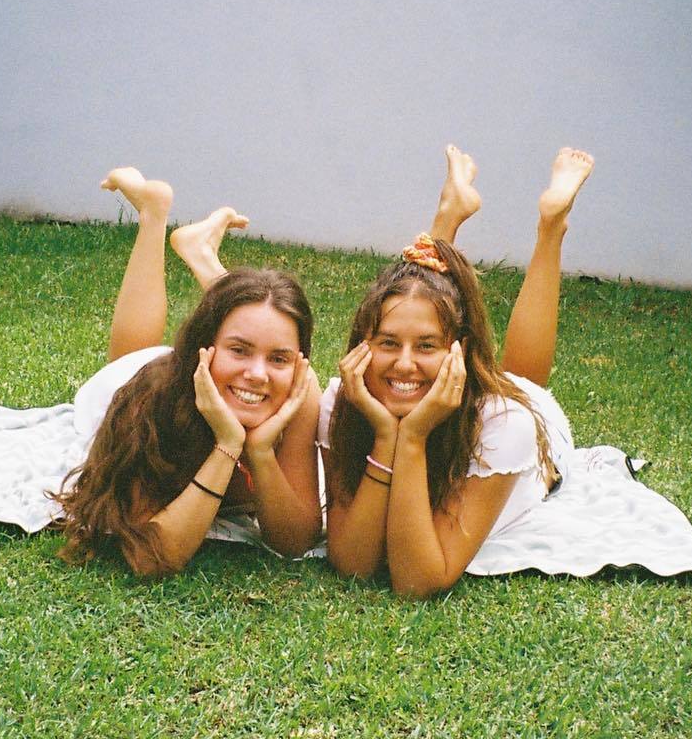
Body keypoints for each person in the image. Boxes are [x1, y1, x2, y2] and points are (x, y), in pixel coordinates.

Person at [320, 145, 593, 598]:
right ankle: (448, 214)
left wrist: (412, 437)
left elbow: (418, 580)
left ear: (458, 352)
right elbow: (353, 564)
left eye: (427, 346)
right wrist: (387, 435)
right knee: (422, 295)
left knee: (525, 382)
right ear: (363, 343)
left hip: (532, 426)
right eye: (387, 342)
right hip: (447, 394)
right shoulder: (341, 400)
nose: (403, 362)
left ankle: (551, 229)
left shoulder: (505, 424)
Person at [52, 167, 323, 577]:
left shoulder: (299, 390)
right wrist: (228, 445)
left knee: (253, 322)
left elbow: (295, 542)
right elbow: (150, 556)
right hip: (142, 382)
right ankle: (153, 216)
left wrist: (261, 452)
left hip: (213, 374)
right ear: (203, 349)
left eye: (280, 358)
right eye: (239, 350)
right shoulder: (152, 398)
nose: (259, 373)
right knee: (129, 359)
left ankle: (201, 255)